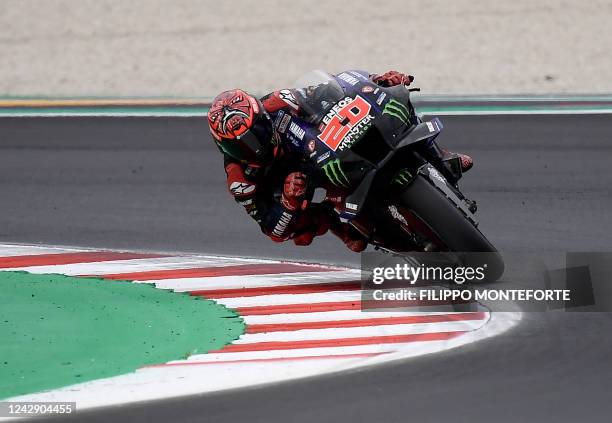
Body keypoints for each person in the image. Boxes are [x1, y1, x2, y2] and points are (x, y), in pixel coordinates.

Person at [207, 71, 473, 252]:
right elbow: (272, 230)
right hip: (295, 182)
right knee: (302, 232)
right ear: (223, 145)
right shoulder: (240, 179)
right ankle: (344, 226)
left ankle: (440, 156)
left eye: (255, 135)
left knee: (390, 106)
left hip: (320, 149)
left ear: (261, 116)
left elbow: (334, 88)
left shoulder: (279, 102)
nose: (252, 146)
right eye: (238, 144)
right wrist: (288, 204)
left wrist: (378, 80)